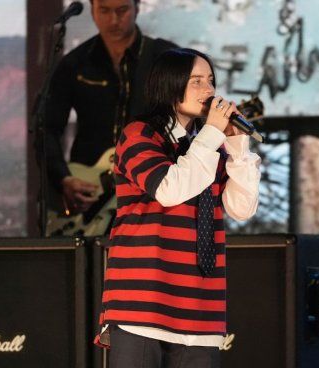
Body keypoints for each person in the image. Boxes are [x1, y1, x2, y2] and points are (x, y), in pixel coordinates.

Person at [94, 48, 261, 368]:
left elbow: (241, 208)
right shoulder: (139, 134)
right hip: (143, 302)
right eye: (196, 81)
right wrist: (212, 136)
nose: (209, 90)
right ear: (169, 84)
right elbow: (169, 189)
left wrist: (238, 148)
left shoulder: (209, 147)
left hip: (200, 307)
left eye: (211, 81)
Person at [43, 0, 176, 215]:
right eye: (104, 10)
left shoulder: (164, 58)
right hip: (91, 191)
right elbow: (47, 128)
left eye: (122, 10)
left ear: (137, 8)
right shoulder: (75, 63)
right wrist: (64, 178)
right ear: (93, 11)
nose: (114, 20)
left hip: (150, 190)